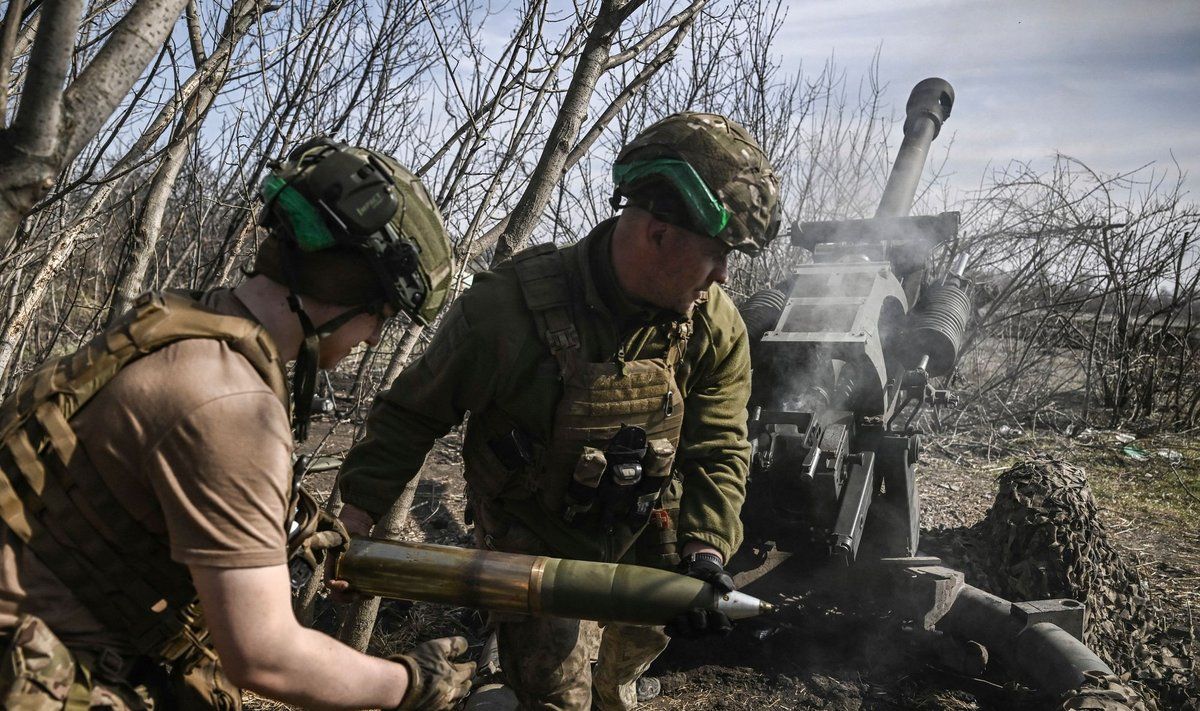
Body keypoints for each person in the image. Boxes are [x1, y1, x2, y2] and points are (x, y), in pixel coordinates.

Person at [0, 137, 474, 710]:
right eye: (382, 315)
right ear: (349, 290)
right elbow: (264, 656)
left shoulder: (174, 324)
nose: (374, 336)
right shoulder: (232, 406)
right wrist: (411, 682)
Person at [336, 113, 781, 710]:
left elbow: (719, 449)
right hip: (536, 538)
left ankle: (615, 689)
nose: (724, 276)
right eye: (718, 253)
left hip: (654, 525)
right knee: (554, 699)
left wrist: (705, 553)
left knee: (622, 679)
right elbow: (411, 414)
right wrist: (354, 519)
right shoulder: (506, 310)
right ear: (658, 233)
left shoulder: (714, 324)